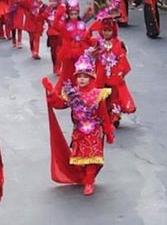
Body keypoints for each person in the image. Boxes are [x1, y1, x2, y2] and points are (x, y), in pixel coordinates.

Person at [42, 51, 115, 196]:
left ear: (91, 78)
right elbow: (60, 105)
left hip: (94, 130)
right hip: (79, 131)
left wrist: (108, 131)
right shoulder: (72, 93)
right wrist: (51, 92)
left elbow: (103, 114)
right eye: (79, 77)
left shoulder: (97, 94)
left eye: (85, 77)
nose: (81, 80)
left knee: (93, 156)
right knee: (81, 158)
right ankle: (84, 178)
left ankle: (89, 183)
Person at [92, 15, 136, 127]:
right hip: (101, 73)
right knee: (103, 94)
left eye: (109, 31)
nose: (107, 33)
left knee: (115, 95)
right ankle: (104, 114)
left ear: (113, 31)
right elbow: (92, 55)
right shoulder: (98, 42)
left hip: (114, 73)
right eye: (105, 30)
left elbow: (122, 57)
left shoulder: (118, 43)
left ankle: (115, 116)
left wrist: (120, 71)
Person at [53, 0, 90, 92]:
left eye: (76, 14)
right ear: (68, 14)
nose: (73, 16)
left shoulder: (82, 23)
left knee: (79, 72)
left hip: (80, 51)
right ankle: (64, 91)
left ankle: (79, 89)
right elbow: (56, 25)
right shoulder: (64, 24)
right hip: (68, 53)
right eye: (71, 14)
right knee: (67, 73)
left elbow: (86, 37)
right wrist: (60, 11)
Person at [46, 0, 67, 75]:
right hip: (52, 34)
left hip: (61, 35)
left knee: (60, 52)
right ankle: (55, 67)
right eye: (50, 1)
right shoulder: (48, 10)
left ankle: (59, 68)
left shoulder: (62, 10)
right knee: (53, 52)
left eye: (54, 1)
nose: (52, 3)